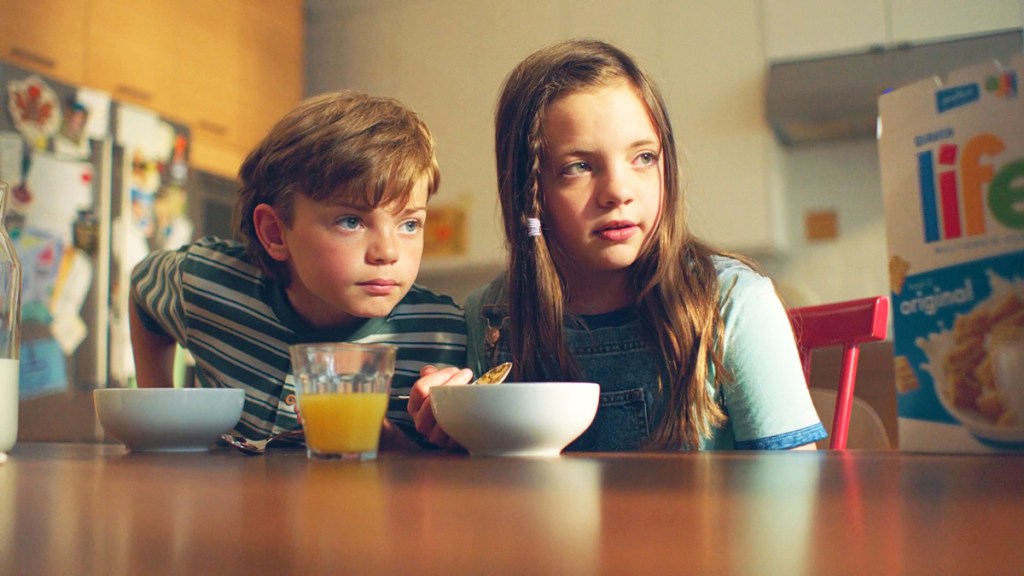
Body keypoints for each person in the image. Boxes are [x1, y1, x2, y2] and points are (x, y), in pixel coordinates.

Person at [408, 39, 826, 451]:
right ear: (529, 191)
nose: (618, 191)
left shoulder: (733, 302)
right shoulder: (491, 317)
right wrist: (451, 435)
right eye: (579, 167)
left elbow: (793, 498)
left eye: (643, 158)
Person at [130, 91, 467, 448]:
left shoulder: (441, 334)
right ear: (275, 232)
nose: (388, 251)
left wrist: (398, 440)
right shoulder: (208, 282)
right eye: (351, 221)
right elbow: (143, 287)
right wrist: (159, 417)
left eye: (410, 224)